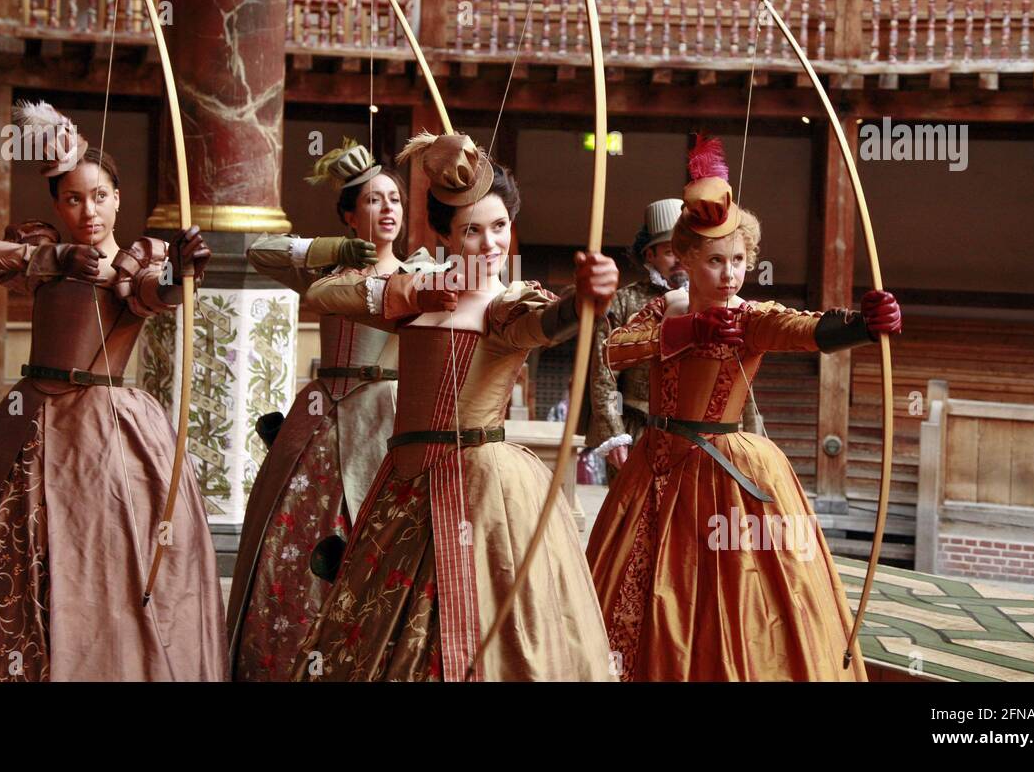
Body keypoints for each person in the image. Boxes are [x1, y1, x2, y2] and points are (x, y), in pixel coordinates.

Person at [0, 102, 226, 681]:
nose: (89, 210)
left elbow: (156, 293)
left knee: (112, 547)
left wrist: (181, 272)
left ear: (119, 198)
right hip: (32, 416)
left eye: (100, 196)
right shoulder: (44, 251)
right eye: (74, 198)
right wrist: (49, 258)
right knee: (15, 545)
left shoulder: (140, 259)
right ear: (57, 205)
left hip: (111, 422)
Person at [291, 132, 618, 681]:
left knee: (480, 615)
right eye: (472, 230)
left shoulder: (508, 302)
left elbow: (547, 324)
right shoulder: (417, 291)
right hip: (407, 486)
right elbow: (322, 294)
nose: (490, 243)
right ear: (442, 234)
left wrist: (585, 301)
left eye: (499, 227)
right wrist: (409, 295)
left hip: (483, 488)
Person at [585, 134, 902, 681]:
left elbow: (805, 330)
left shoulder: (751, 317)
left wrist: (862, 325)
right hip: (654, 463)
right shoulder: (663, 309)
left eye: (737, 261)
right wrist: (688, 329)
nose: (729, 274)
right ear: (683, 258)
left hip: (724, 470)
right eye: (713, 261)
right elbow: (614, 350)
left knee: (730, 593)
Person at [227, 139, 434, 680]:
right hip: (320, 417)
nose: (388, 208)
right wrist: (329, 251)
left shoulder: (420, 274)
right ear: (348, 214)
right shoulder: (326, 269)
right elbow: (259, 251)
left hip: (387, 417)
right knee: (299, 537)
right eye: (372, 200)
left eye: (394, 198)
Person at [586, 198, 685, 482]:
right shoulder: (624, 301)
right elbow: (604, 374)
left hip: (695, 433)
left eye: (685, 249)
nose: (679, 258)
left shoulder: (711, 301)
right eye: (669, 251)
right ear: (649, 255)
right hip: (638, 428)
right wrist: (615, 433)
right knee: (631, 520)